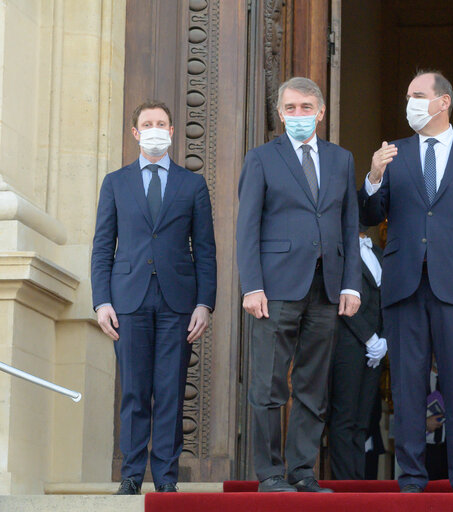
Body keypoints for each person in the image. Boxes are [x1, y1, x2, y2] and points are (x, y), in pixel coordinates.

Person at [359, 70, 453, 493]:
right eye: (408, 95)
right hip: (404, 284)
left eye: (418, 95)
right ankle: (412, 479)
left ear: (443, 102)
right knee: (407, 387)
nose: (410, 102)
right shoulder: (393, 153)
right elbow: (370, 216)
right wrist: (372, 177)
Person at [237, 77, 361, 493]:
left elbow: (349, 225)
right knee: (268, 384)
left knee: (312, 385)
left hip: (326, 288)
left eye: (306, 108)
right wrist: (251, 285)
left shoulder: (341, 160)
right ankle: (271, 473)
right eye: (290, 108)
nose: (298, 116)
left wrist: (351, 285)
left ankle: (303, 471)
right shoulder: (261, 159)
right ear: (280, 113)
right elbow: (247, 227)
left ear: (321, 112)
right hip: (275, 289)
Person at [91, 100, 217, 494]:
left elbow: (206, 250)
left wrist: (204, 303)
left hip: (177, 303)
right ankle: (131, 475)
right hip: (127, 301)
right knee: (133, 390)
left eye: (162, 123)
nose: (155, 129)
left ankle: (165, 479)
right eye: (148, 123)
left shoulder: (192, 184)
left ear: (172, 130)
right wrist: (101, 301)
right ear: (135, 132)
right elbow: (102, 247)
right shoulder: (115, 182)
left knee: (169, 391)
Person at [328, 227, 387, 480]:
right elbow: (342, 299)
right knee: (344, 418)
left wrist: (384, 339)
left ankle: (359, 480)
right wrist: (369, 338)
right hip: (348, 344)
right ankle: (344, 483)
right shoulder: (341, 252)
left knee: (364, 420)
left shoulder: (381, 253)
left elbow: (388, 298)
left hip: (376, 350)